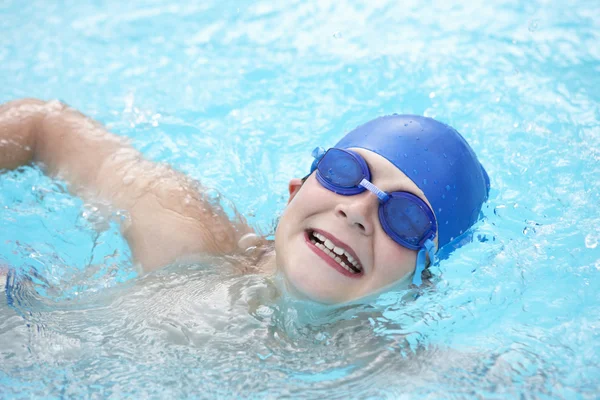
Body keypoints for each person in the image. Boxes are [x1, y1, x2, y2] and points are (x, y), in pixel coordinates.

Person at [0, 98, 489, 305]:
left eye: (404, 217)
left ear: (422, 281)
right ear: (296, 190)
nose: (357, 211)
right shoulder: (189, 238)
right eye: (346, 175)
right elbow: (44, 124)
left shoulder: (390, 376)